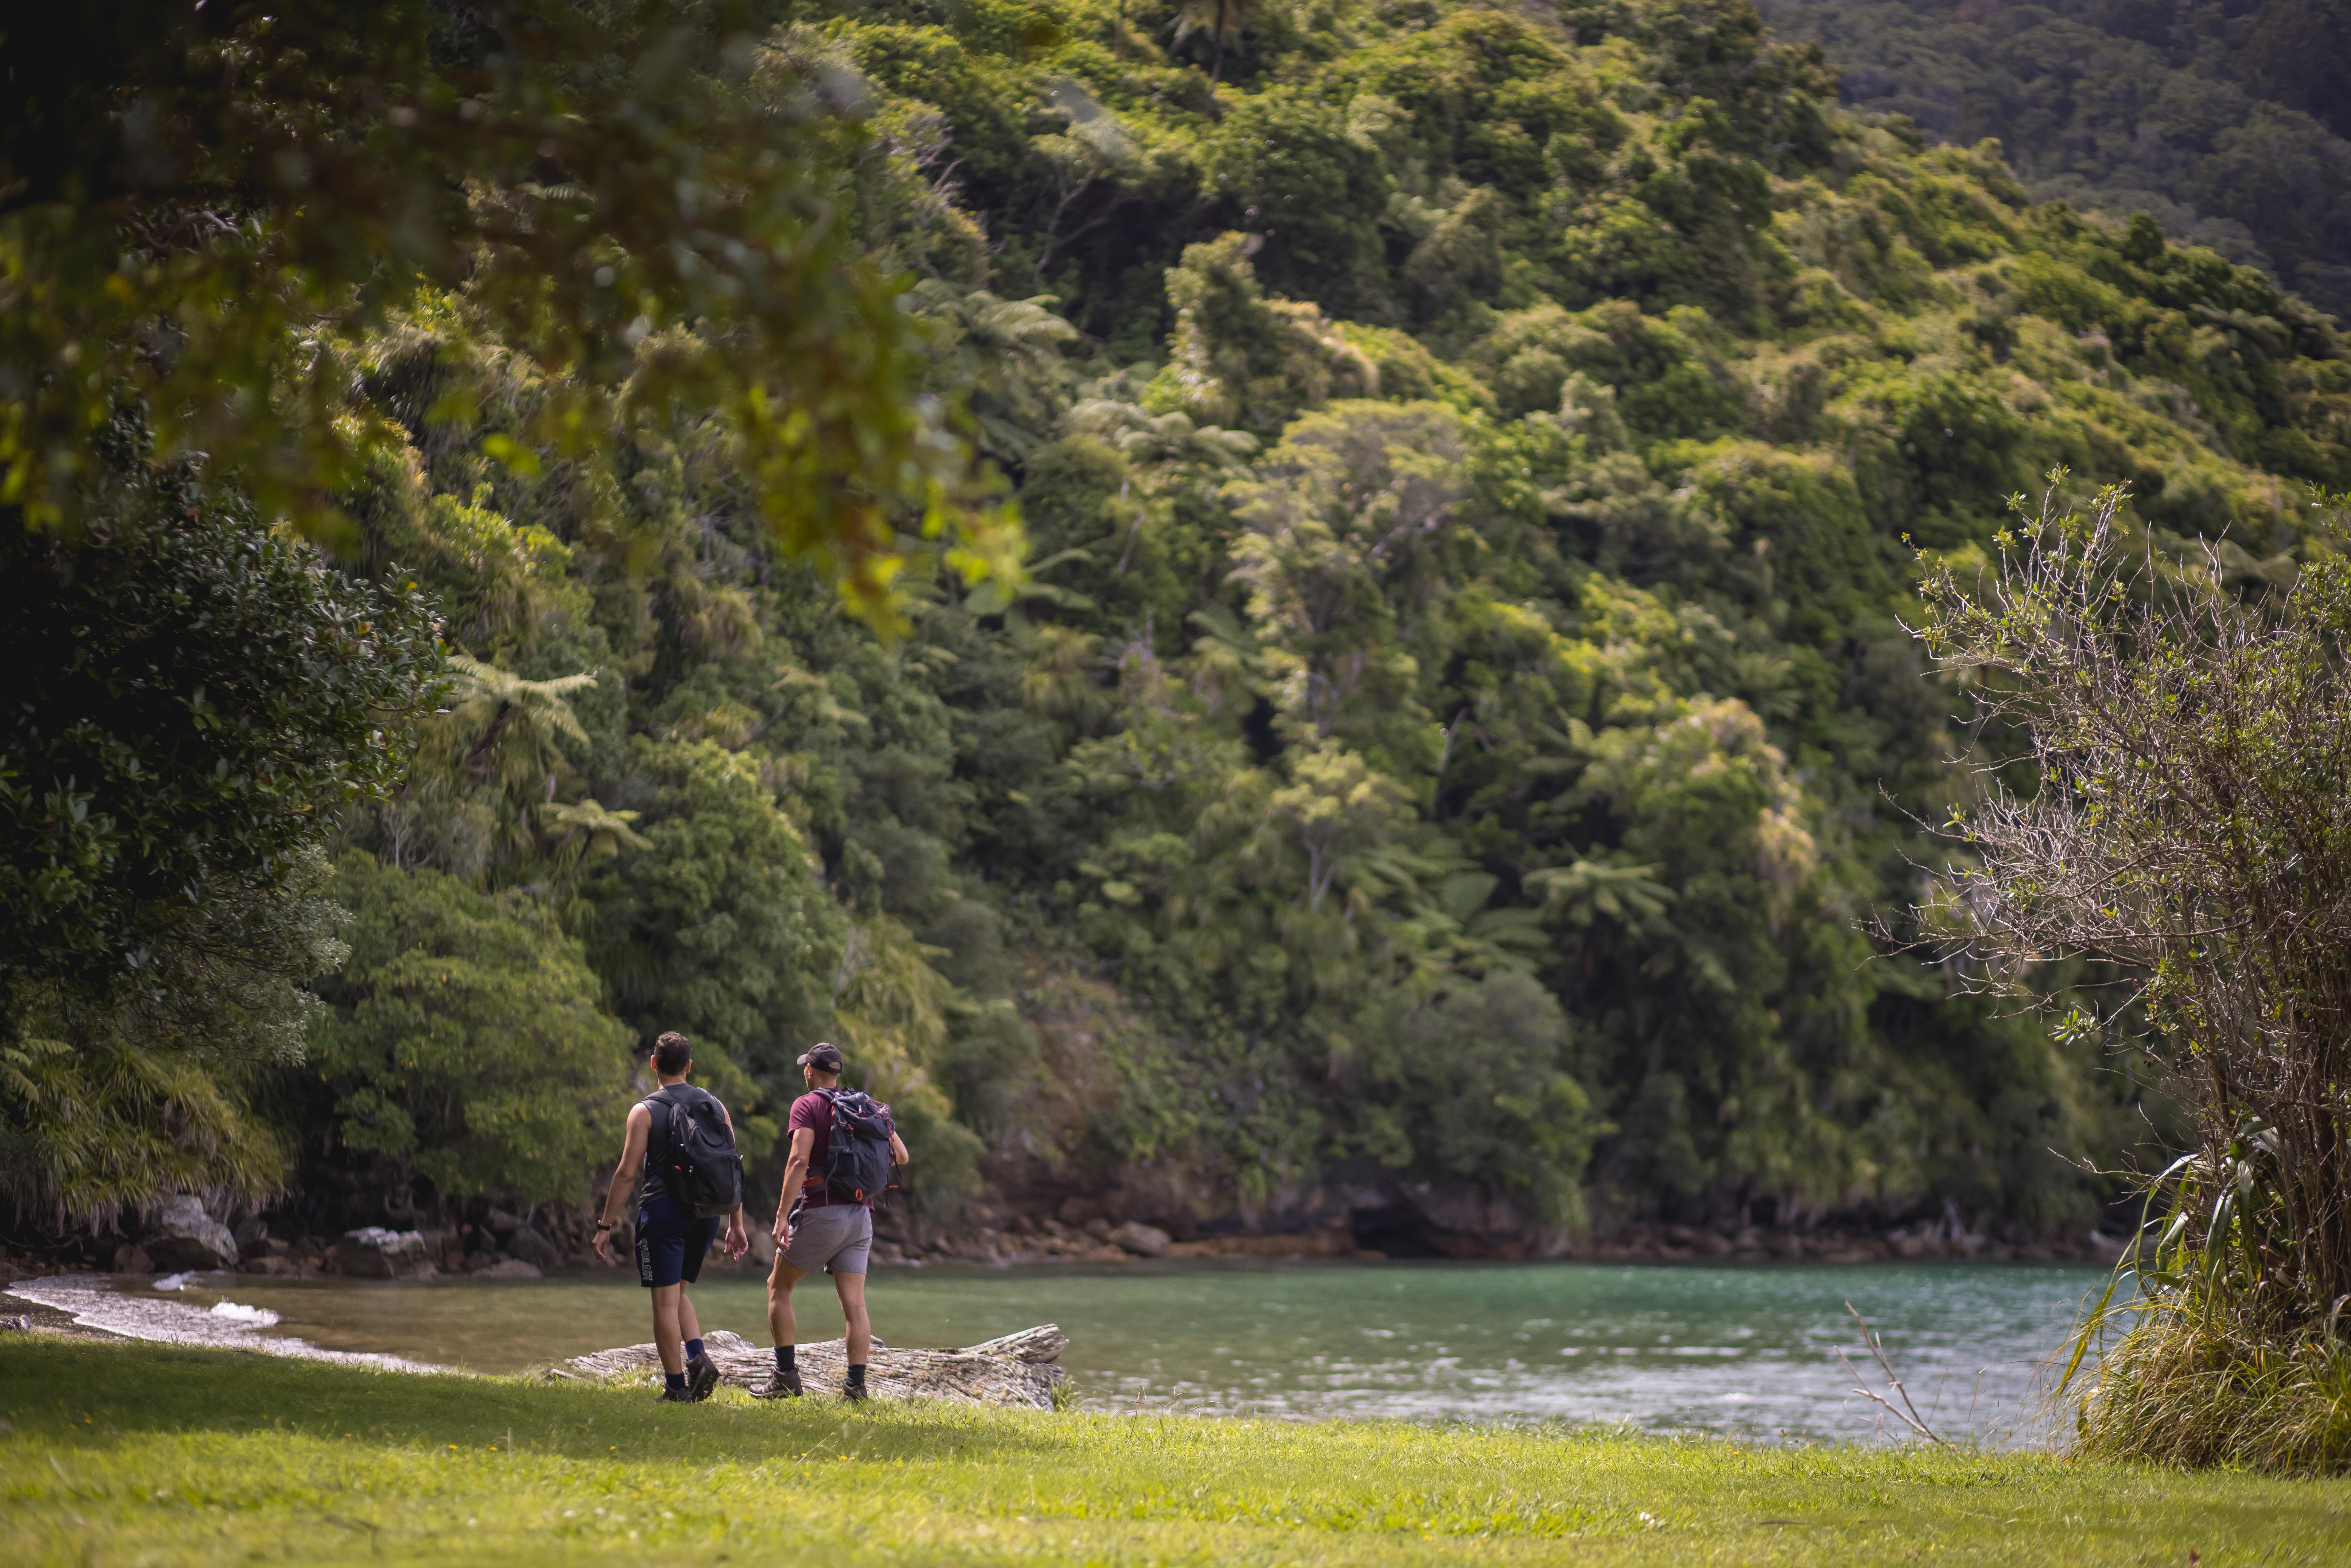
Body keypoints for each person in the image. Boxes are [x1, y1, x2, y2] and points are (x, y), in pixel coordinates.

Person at [592, 1031, 748, 1402]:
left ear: (654, 1064)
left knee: (664, 1302)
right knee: (678, 1294)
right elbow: (731, 1169)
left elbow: (627, 1174)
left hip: (663, 1216)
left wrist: (605, 1226)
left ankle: (676, 1388)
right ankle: (697, 1357)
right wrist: (737, 1224)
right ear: (689, 1066)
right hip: (707, 1215)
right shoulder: (716, 1106)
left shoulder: (644, 1112)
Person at [758, 1041, 908, 1401]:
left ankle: (785, 1376)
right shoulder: (866, 1105)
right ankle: (855, 1387)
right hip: (861, 1217)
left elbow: (798, 1161)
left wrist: (781, 1216)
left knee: (778, 1287)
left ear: (810, 1070)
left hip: (823, 1211)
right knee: (855, 1305)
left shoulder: (806, 1104)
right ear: (838, 1073)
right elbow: (901, 1154)